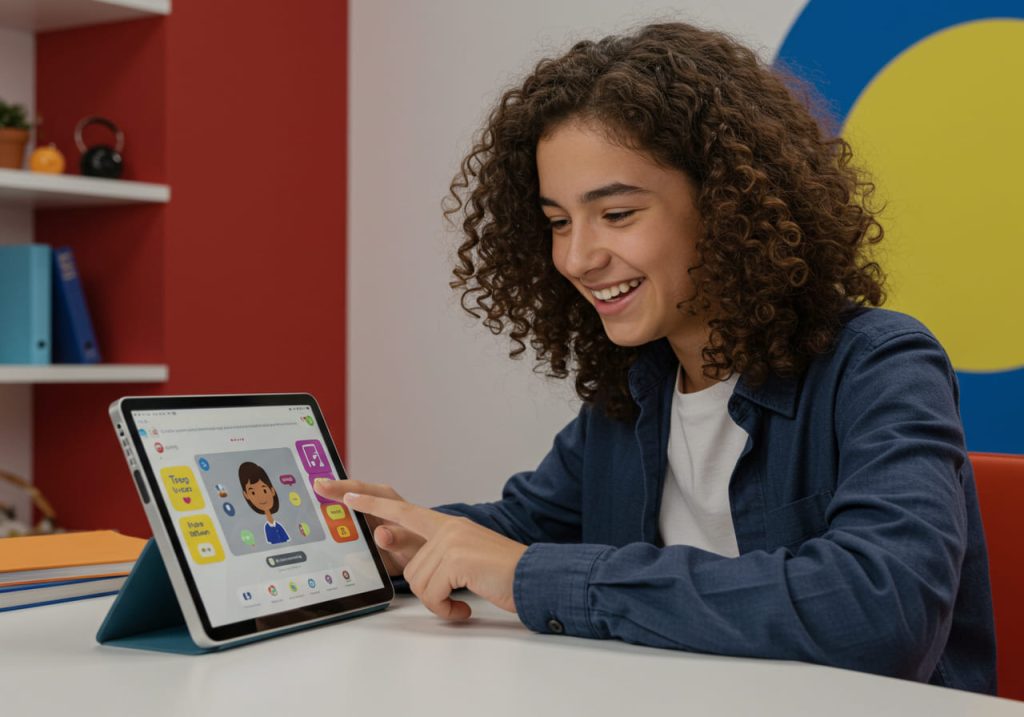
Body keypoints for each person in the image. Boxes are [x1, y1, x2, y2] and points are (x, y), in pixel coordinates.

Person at [315, 22, 995, 693]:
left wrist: (532, 575)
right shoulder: (634, 387)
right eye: (558, 221)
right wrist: (405, 535)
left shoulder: (881, 365)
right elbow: (520, 526)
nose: (577, 257)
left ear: (727, 205)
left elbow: (881, 611)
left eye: (616, 215)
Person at [239, 461, 291, 545]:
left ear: (272, 490)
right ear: (246, 495)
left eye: (264, 490)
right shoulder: (264, 527)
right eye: (253, 493)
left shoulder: (279, 525)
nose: (261, 497)